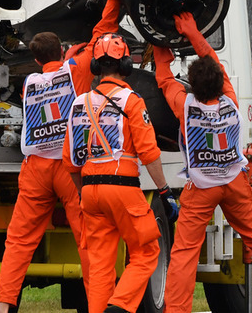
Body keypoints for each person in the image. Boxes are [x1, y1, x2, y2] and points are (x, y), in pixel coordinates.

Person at [0, 0, 125, 313]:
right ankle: (98, 303)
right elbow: (102, 33)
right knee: (87, 240)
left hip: (36, 167)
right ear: (61, 52)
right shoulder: (77, 68)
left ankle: (5, 306)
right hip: (70, 168)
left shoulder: (30, 84)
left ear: (36, 60)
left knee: (19, 241)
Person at [153, 13, 252, 313]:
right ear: (221, 82)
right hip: (234, 181)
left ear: (191, 85)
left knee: (183, 254)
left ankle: (176, 311)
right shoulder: (230, 100)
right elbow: (212, 59)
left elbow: (164, 78)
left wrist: (159, 44)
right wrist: (194, 34)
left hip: (203, 186)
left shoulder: (185, 105)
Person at [63, 32, 178, 313]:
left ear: (95, 68)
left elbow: (69, 161)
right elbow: (149, 153)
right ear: (126, 65)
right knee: (148, 251)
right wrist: (164, 192)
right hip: (123, 189)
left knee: (100, 266)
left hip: (90, 191)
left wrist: (83, 193)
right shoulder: (132, 101)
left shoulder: (79, 103)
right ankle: (120, 305)